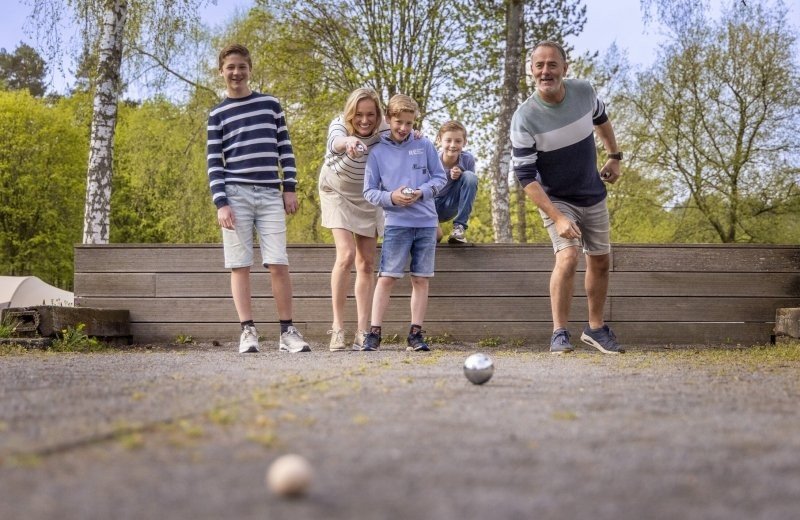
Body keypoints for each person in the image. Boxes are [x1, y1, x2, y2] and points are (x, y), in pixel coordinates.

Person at [510, 41, 625, 355]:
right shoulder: (524, 118)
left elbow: (602, 121)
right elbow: (525, 177)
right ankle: (559, 333)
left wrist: (614, 156)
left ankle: (596, 329)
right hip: (555, 198)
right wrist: (558, 217)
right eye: (539, 66)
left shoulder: (584, 92)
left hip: (592, 193)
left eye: (552, 64)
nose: (545, 71)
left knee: (601, 260)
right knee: (569, 256)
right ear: (531, 71)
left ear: (564, 68)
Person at [207, 43, 310, 354]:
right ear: (222, 72)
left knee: (278, 262)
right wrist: (221, 202)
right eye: (230, 67)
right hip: (235, 195)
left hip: (269, 194)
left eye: (242, 67)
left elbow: (285, 149)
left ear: (250, 69)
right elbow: (214, 162)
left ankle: (287, 332)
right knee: (240, 265)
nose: (236, 72)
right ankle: (248, 331)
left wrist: (289, 187)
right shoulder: (217, 114)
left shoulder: (270, 105)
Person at [362, 94, 447, 352]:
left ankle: (415, 334)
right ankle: (374, 333)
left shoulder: (426, 145)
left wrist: (422, 192)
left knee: (421, 279)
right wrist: (392, 198)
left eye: (409, 123)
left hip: (425, 222)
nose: (403, 128)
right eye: (399, 122)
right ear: (388, 119)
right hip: (396, 223)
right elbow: (369, 191)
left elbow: (439, 178)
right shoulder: (377, 152)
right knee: (387, 277)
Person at [319, 88, 387, 352]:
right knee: (346, 255)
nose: (365, 120)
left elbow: (404, 134)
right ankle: (337, 328)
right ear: (350, 114)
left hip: (368, 195)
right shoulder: (339, 125)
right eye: (359, 114)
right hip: (336, 190)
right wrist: (348, 143)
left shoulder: (383, 129)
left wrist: (415, 135)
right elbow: (336, 141)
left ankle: (362, 330)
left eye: (370, 114)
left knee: (367, 262)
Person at [434, 121, 479, 244]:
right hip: (430, 205)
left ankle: (459, 228)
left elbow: (470, 186)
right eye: (448, 140)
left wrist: (461, 174)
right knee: (435, 238)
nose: (453, 145)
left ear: (465, 142)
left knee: (470, 176)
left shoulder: (467, 159)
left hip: (450, 205)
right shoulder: (432, 160)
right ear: (439, 140)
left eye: (458, 141)